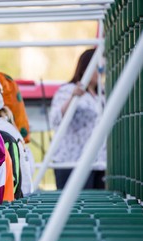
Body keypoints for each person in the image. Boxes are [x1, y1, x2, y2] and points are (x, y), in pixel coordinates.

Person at [49, 48, 106, 189]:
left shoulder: (102, 94)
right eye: (97, 67)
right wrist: (73, 98)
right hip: (71, 161)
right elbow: (55, 119)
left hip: (97, 161)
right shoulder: (68, 90)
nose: (101, 71)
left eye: (102, 67)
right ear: (86, 67)